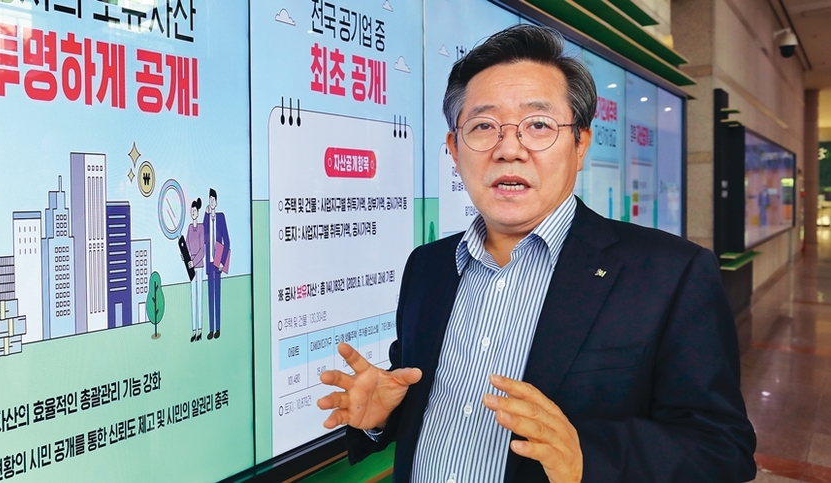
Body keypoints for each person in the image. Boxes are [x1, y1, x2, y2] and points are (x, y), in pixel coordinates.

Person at [317, 24, 755, 483]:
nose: (509, 149)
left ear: (580, 144)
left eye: (539, 125)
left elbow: (722, 448)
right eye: (483, 126)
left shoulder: (671, 274)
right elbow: (423, 397)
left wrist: (587, 459)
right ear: (454, 149)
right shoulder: (428, 266)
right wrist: (383, 417)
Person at [203, 188, 229, 340]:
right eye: (210, 200)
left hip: (218, 263)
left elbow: (227, 241)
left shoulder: (221, 217)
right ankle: (211, 329)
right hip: (209, 263)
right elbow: (203, 237)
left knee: (217, 296)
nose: (211, 202)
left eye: (213, 200)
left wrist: (223, 262)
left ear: (216, 202)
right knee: (210, 296)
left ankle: (218, 328)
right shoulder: (207, 219)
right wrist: (205, 215)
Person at [184, 198, 205, 342]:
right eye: (191, 211)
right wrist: (184, 256)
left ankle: (200, 330)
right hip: (191, 267)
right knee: (193, 297)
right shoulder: (189, 228)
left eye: (194, 211)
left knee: (200, 297)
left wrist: (194, 261)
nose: (192, 213)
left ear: (198, 212)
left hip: (199, 266)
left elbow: (202, 250)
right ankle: (193, 330)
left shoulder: (201, 228)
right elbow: (186, 245)